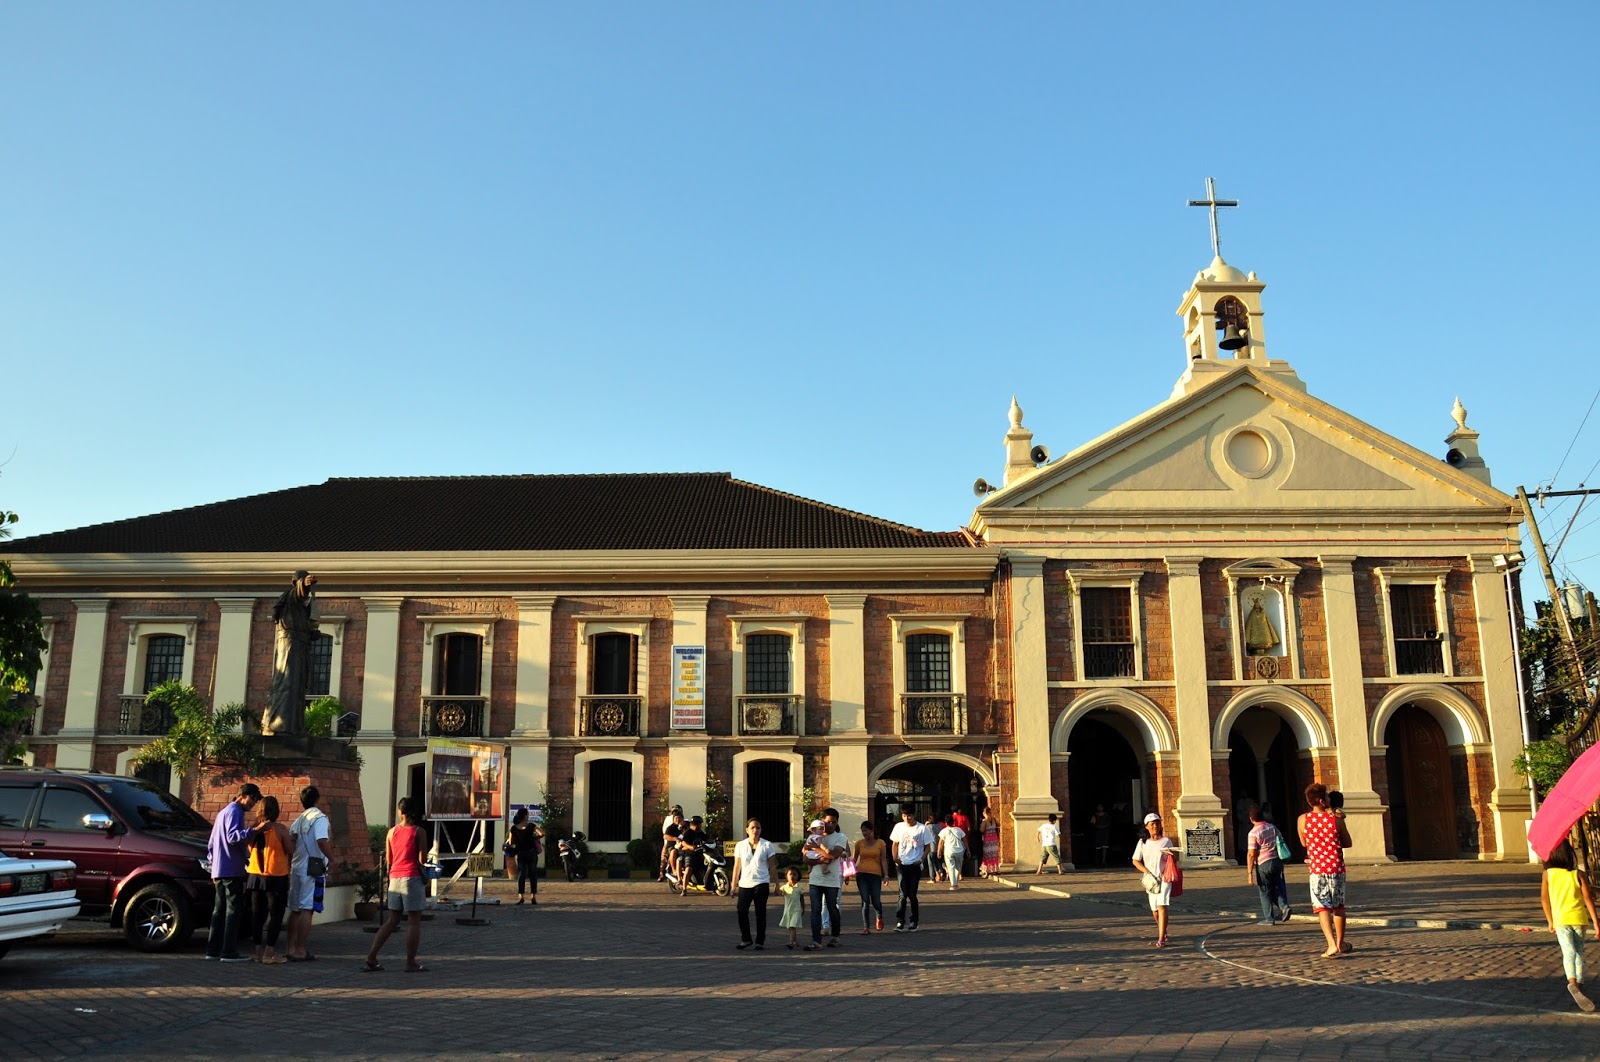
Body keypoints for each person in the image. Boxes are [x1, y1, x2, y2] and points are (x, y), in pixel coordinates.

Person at [364, 797, 430, 973]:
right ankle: (411, 962)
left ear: (400, 813)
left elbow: (389, 860)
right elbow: (422, 859)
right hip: (412, 878)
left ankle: (372, 956)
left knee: (392, 920)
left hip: (394, 878)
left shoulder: (391, 832)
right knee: (414, 921)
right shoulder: (419, 832)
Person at [205, 782, 262, 962]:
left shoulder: (222, 813)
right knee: (232, 911)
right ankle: (228, 951)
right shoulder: (236, 812)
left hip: (220, 869)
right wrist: (254, 831)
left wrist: (213, 867)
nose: (253, 804)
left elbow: (212, 843)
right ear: (243, 795)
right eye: (252, 799)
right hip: (231, 870)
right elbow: (233, 836)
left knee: (219, 911)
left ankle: (213, 950)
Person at [1541, 840, 1600, 1012]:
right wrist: (1597, 924)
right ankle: (1579, 987)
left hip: (1561, 920)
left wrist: (1550, 920)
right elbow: (1588, 900)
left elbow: (1544, 899)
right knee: (1579, 952)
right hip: (1579, 919)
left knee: (1568, 952)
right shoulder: (1578, 874)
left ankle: (1572, 983)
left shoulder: (1547, 874)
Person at [1297, 783, 1353, 959]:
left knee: (1322, 908)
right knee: (1338, 907)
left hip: (1317, 869)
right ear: (1322, 801)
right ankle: (1340, 943)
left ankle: (1330, 944)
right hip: (1336, 868)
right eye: (1327, 797)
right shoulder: (1336, 820)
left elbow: (1304, 843)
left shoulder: (1302, 820)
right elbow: (1348, 842)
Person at [285, 784, 333, 962]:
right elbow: (321, 840)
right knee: (308, 908)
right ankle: (300, 949)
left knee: (295, 909)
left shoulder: (299, 819)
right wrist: (332, 859)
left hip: (297, 866)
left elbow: (291, 840)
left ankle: (290, 947)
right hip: (313, 868)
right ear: (317, 800)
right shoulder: (320, 818)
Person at [245, 795, 293, 964]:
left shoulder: (253, 829)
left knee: (257, 914)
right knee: (276, 914)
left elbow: (248, 847)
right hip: (276, 875)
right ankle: (270, 951)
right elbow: (289, 849)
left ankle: (258, 950)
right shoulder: (280, 829)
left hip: (255, 875)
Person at [730, 818, 780, 951]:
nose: (755, 830)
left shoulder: (767, 845)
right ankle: (746, 939)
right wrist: (733, 885)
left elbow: (772, 866)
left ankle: (760, 941)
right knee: (741, 911)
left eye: (757, 828)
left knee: (760, 912)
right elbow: (737, 866)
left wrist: (777, 885)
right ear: (747, 830)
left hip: (761, 882)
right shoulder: (740, 845)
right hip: (745, 883)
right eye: (752, 827)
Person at [804, 814, 849, 951]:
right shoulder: (814, 835)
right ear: (823, 821)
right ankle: (816, 941)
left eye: (833, 822)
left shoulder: (840, 837)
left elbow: (832, 856)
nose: (830, 825)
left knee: (832, 908)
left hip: (831, 880)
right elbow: (805, 858)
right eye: (828, 822)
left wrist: (815, 848)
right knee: (815, 910)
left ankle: (835, 937)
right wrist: (818, 860)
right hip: (815, 879)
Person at [1132, 811, 1176, 947]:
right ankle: (1164, 929)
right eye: (1152, 824)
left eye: (1157, 823)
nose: (1155, 826)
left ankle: (1161, 938)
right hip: (1150, 880)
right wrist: (1146, 871)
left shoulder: (1166, 841)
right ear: (1147, 826)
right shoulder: (1143, 842)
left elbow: (1173, 860)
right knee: (1155, 910)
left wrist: (1171, 856)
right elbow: (1135, 860)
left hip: (1164, 878)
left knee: (1162, 906)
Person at [890, 809, 935, 932]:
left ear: (913, 815)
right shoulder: (899, 827)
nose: (907, 818)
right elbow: (895, 843)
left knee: (912, 894)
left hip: (915, 865)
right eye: (904, 816)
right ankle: (900, 921)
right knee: (902, 894)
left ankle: (914, 920)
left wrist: (921, 860)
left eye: (909, 815)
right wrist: (895, 858)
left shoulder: (921, 828)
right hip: (902, 864)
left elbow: (928, 847)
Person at [1244, 805, 1287, 926]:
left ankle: (1269, 918)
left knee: (1264, 891)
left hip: (1263, 863)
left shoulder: (1253, 833)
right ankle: (1284, 906)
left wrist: (1249, 873)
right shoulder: (1272, 827)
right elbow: (1280, 840)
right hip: (1276, 861)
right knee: (1274, 887)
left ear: (1251, 819)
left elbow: (1251, 854)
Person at [854, 820, 888, 933]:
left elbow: (883, 859)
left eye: (866, 830)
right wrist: (847, 874)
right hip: (862, 874)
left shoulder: (880, 843)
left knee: (876, 900)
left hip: (875, 874)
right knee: (865, 901)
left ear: (872, 830)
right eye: (863, 831)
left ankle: (879, 916)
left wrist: (886, 875)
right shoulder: (859, 843)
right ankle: (866, 926)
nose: (864, 833)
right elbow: (854, 859)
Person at [510, 807, 543, 905]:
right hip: (532, 853)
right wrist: (534, 838)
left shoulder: (514, 828)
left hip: (521, 854)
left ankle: (521, 897)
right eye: (528, 814)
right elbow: (542, 833)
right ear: (525, 816)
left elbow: (511, 842)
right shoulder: (531, 826)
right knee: (533, 875)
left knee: (521, 876)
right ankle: (533, 896)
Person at [676, 815, 708, 894]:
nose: (700, 825)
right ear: (694, 824)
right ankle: (684, 889)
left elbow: (707, 839)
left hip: (700, 854)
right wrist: (690, 847)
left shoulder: (701, 833)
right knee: (689, 868)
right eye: (699, 824)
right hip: (690, 854)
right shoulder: (688, 832)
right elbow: (683, 842)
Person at [937, 814, 967, 890]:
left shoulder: (943, 831)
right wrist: (968, 850)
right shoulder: (959, 830)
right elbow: (965, 840)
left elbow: (941, 842)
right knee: (958, 868)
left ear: (946, 823)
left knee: (951, 868)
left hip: (948, 851)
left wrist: (939, 851)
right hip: (959, 851)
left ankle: (954, 884)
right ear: (953, 822)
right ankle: (955, 883)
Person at [778, 867, 806, 949]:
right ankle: (794, 941)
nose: (792, 876)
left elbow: (802, 899)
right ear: (786, 876)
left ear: (798, 876)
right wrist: (778, 890)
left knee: (792, 926)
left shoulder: (799, 888)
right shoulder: (784, 887)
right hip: (788, 910)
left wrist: (803, 908)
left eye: (795, 874)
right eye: (790, 874)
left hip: (796, 910)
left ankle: (791, 942)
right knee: (790, 927)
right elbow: (779, 892)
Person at [658, 804, 684, 881]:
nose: (676, 816)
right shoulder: (668, 820)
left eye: (677, 812)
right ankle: (662, 873)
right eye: (674, 812)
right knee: (664, 857)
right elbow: (665, 833)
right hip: (669, 843)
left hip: (683, 843)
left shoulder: (685, 822)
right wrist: (674, 838)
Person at [949, 807, 973, 877]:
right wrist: (967, 835)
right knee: (960, 857)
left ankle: (953, 873)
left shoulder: (951, 818)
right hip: (962, 838)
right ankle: (960, 874)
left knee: (951, 858)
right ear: (959, 810)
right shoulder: (964, 817)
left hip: (952, 840)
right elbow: (969, 828)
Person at [979, 807, 1001, 878]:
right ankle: (995, 869)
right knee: (994, 855)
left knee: (987, 855)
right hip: (994, 839)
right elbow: (999, 825)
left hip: (988, 840)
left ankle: (988, 869)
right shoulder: (994, 819)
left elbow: (982, 830)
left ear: (985, 813)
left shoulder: (985, 821)